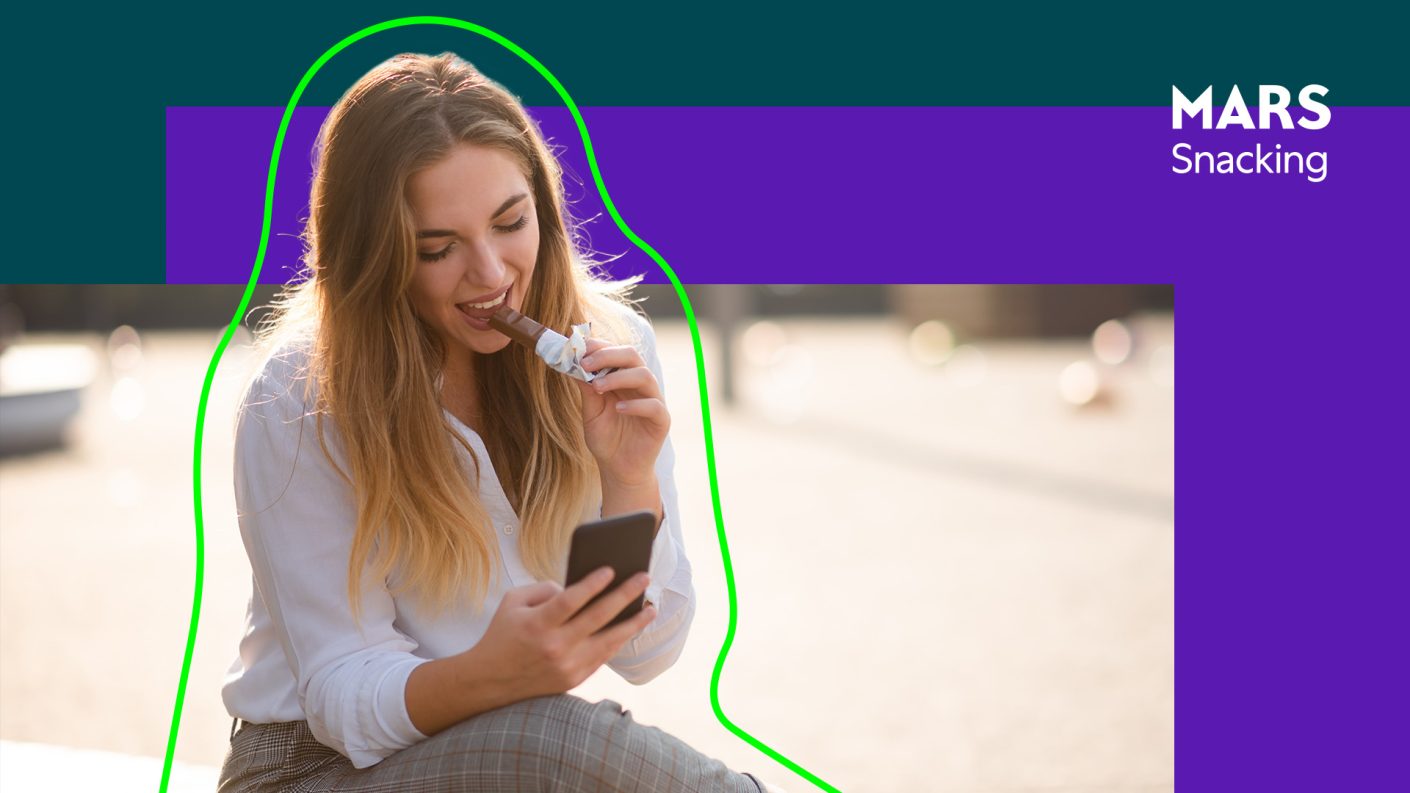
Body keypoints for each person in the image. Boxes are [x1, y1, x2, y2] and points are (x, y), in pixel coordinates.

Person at [217, 52, 776, 792]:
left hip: (507, 745)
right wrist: (493, 673)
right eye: (437, 249)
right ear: (375, 258)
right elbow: (340, 699)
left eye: (511, 222)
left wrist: (629, 476)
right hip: (313, 769)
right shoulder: (300, 393)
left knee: (548, 736)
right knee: (551, 738)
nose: (490, 274)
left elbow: (647, 652)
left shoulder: (607, 346)